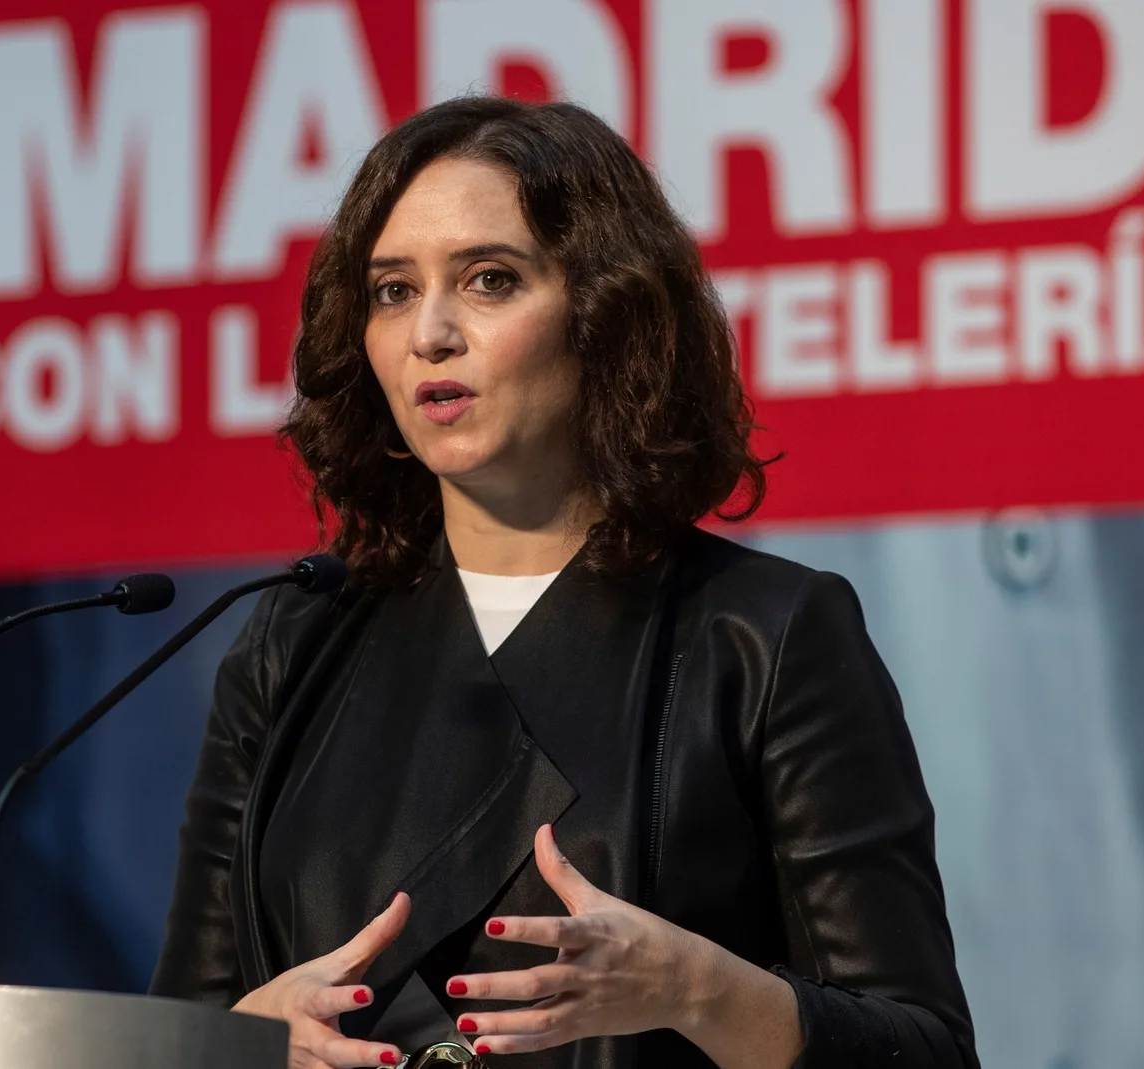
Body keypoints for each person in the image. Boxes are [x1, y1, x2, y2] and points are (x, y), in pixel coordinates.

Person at [150, 96, 975, 1069]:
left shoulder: (763, 635)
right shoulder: (289, 645)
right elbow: (177, 1034)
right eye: (391, 292)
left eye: (488, 280)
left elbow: (924, 1051)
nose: (431, 334)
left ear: (601, 314)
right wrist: (239, 1047)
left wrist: (700, 991)